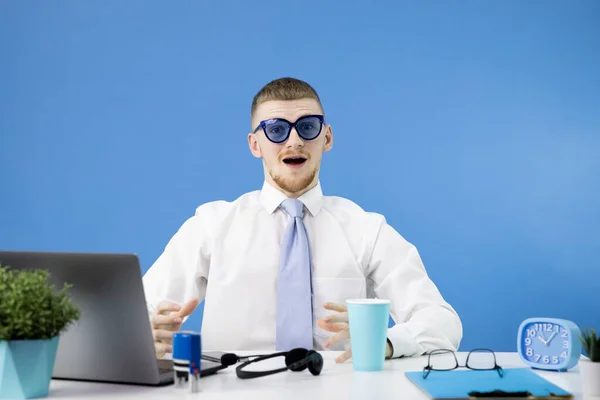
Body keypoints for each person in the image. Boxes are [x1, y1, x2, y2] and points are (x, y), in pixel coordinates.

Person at [142, 77, 462, 363]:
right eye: (277, 130)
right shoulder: (211, 226)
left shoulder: (368, 230)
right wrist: (143, 335)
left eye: (307, 127)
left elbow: (441, 321)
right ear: (256, 144)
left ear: (327, 138)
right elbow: (136, 311)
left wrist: (385, 341)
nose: (293, 142)